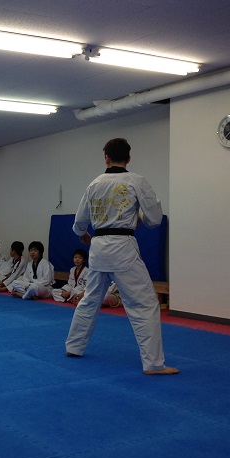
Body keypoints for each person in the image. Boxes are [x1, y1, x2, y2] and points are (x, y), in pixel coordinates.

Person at [64, 138, 178, 375]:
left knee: (90, 299)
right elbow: (155, 220)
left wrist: (84, 235)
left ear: (106, 158)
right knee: (145, 304)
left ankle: (74, 346)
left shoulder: (94, 184)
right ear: (129, 158)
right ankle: (153, 364)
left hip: (98, 247)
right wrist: (138, 218)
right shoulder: (136, 181)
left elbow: (79, 223)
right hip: (122, 247)